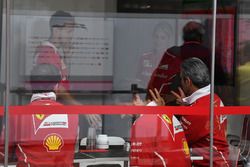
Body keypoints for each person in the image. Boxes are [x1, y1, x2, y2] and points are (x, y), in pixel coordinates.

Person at [0, 64, 78, 166]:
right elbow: (72, 150)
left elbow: (3, 154)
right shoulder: (73, 115)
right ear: (56, 86)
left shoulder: (17, 116)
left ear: (31, 86)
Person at [34, 10, 101, 129]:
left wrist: (67, 57)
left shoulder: (55, 52)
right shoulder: (47, 53)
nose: (71, 36)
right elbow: (58, 88)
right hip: (49, 117)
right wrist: (82, 108)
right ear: (56, 30)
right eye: (69, 31)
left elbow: (62, 82)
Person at [168, 57, 229, 166]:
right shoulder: (214, 98)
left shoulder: (196, 111)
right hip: (220, 160)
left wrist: (158, 110)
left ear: (188, 81)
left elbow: (177, 141)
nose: (180, 83)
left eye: (181, 79)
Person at [146, 21, 211, 104]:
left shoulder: (172, 53)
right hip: (188, 101)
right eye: (157, 37)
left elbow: (161, 78)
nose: (158, 40)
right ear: (201, 37)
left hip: (169, 101)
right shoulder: (209, 53)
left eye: (162, 37)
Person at [130, 91, 191, 167]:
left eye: (130, 103)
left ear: (137, 98)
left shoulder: (143, 122)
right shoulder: (170, 115)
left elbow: (141, 162)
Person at [136, 22, 174, 89]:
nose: (158, 40)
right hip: (144, 95)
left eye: (162, 38)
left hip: (162, 97)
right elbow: (138, 80)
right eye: (156, 36)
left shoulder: (172, 60)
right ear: (153, 37)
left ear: (168, 40)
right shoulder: (144, 57)